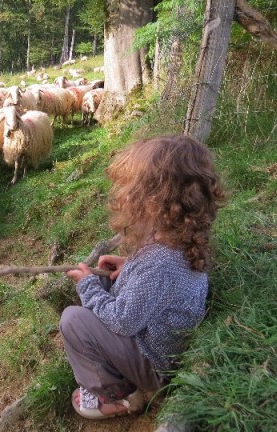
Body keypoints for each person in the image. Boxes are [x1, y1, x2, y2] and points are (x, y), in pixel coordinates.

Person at [60, 134, 226, 420]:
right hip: (158, 342)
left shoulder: (160, 261)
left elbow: (124, 320)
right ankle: (115, 374)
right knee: (101, 287)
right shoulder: (175, 237)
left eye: (131, 188)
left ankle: (117, 394)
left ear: (155, 199)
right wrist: (130, 265)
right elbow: (161, 281)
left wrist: (87, 284)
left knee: (73, 321)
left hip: (156, 364)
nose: (124, 194)